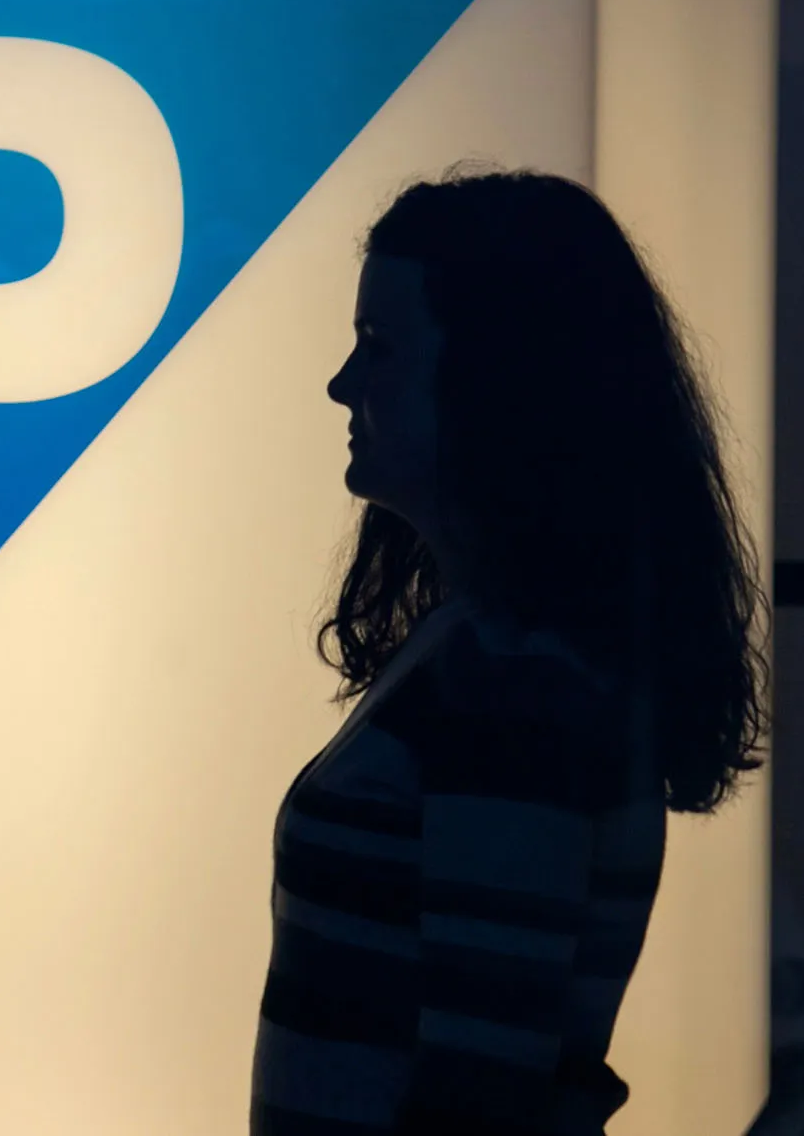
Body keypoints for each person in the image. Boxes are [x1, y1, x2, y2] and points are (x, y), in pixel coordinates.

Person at [252, 164, 769, 1135]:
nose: (341, 384)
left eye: (378, 347)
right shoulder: (486, 659)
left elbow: (480, 1098)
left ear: (496, 379)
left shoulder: (513, 693)